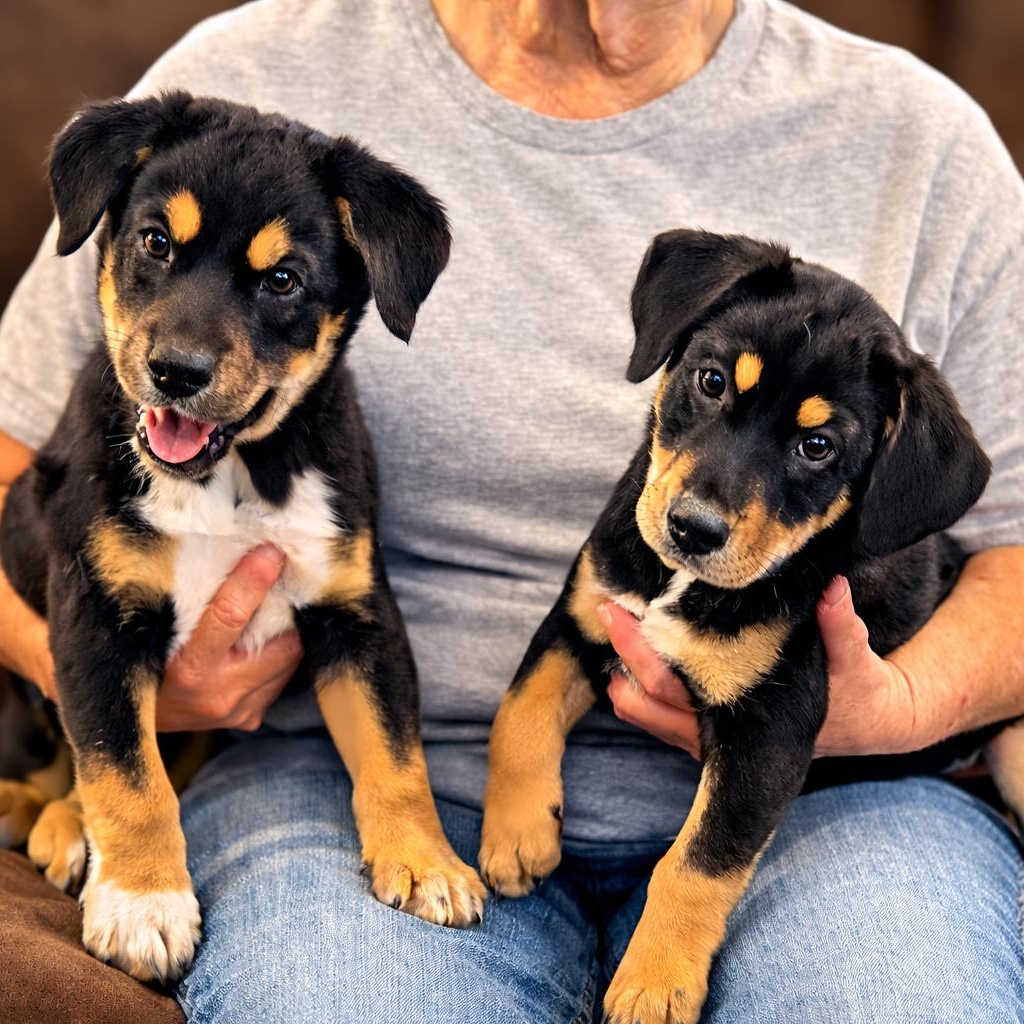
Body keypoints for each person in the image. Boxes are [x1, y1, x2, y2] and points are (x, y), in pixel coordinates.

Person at [2, 0, 1023, 1020]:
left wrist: (899, 709)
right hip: (346, 776)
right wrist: (87, 678)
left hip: (831, 806)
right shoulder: (241, 77)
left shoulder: (923, 141)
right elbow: (28, 478)